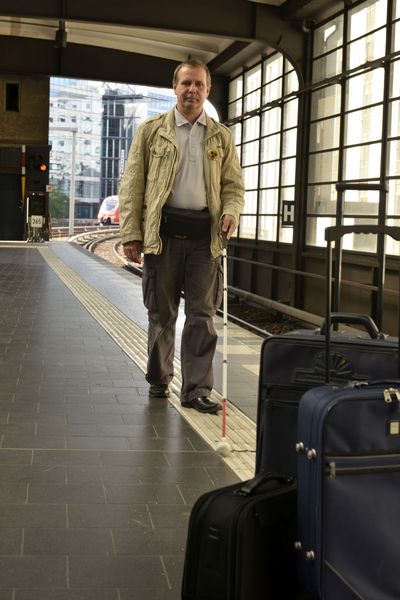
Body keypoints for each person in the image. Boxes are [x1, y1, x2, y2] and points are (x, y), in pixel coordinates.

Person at [119, 58, 244, 414]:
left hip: (206, 239)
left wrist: (232, 211)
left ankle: (196, 390)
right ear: (174, 87)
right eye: (186, 83)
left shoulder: (222, 136)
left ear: (208, 90)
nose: (192, 90)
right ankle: (160, 378)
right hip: (163, 237)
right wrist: (132, 233)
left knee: (203, 316)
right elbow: (133, 185)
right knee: (161, 313)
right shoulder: (151, 130)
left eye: (199, 85)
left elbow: (233, 186)